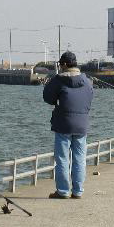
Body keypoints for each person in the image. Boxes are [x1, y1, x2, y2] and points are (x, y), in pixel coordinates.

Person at [43, 51, 94, 199]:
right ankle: (77, 191)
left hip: (63, 125)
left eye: (60, 64)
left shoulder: (59, 80)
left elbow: (47, 97)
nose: (59, 66)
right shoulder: (87, 81)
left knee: (63, 159)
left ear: (64, 64)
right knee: (79, 159)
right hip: (81, 125)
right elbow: (90, 98)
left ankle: (63, 191)